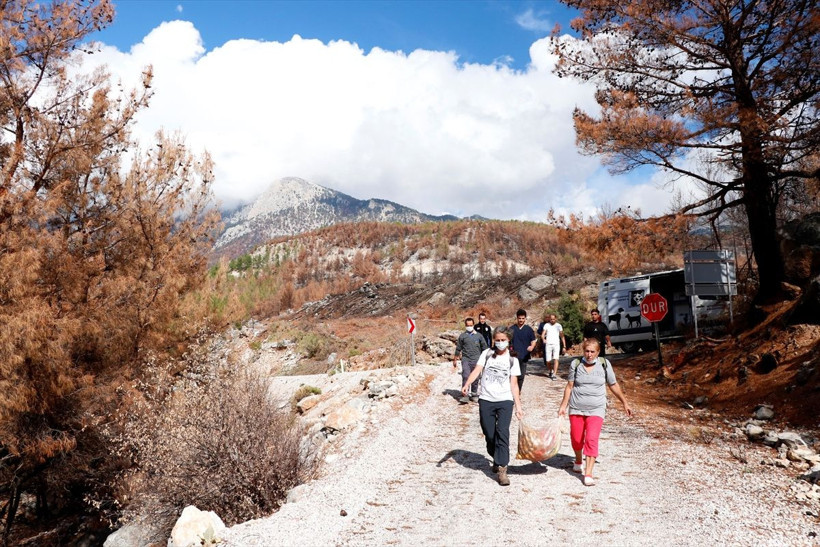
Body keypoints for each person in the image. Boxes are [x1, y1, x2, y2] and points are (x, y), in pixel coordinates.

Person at [558, 338, 632, 486]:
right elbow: (569, 386)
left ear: (598, 352)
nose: (589, 354)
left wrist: (625, 402)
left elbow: (613, 384)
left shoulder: (604, 364)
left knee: (591, 439)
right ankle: (578, 461)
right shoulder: (576, 364)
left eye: (593, 351)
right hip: (577, 407)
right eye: (587, 351)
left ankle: (589, 473)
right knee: (576, 438)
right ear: (583, 351)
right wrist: (563, 406)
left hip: (597, 408)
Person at [462, 326, 523, 486]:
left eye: (503, 340)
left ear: (508, 341)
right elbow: (477, 370)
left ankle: (502, 468)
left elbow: (514, 385)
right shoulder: (487, 354)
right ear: (494, 340)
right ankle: (496, 456)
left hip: (505, 401)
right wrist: (467, 383)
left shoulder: (513, 360)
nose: (500, 343)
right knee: (489, 433)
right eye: (498, 340)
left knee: (503, 432)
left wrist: (518, 406)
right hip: (486, 399)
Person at [453, 317, 488, 404]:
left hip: (477, 359)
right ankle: (465, 394)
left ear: (473, 325)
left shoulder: (479, 336)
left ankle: (474, 394)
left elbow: (485, 348)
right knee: (465, 375)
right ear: (465, 326)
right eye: (468, 325)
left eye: (471, 325)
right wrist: (455, 359)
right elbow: (458, 348)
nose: (469, 327)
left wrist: (487, 359)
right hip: (466, 359)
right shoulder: (462, 336)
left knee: (476, 377)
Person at [509, 308, 537, 391]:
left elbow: (533, 340)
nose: (521, 320)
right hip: (513, 356)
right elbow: (507, 341)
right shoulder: (511, 329)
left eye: (523, 318)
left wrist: (532, 347)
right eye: (519, 318)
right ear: (517, 318)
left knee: (521, 376)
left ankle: (518, 391)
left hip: (524, 356)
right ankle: (512, 391)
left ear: (525, 319)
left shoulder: (528, 329)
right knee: (513, 375)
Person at [541, 313, 567, 380]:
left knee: (556, 359)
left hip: (556, 344)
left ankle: (554, 374)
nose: (552, 320)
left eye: (553, 319)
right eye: (551, 319)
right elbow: (542, 334)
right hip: (548, 344)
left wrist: (564, 346)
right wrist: (543, 339)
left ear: (556, 319)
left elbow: (562, 336)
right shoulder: (546, 325)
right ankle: (551, 370)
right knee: (547, 361)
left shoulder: (559, 326)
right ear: (549, 319)